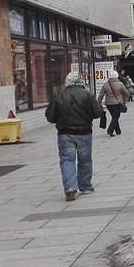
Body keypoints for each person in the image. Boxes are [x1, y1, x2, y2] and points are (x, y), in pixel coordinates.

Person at [45, 72, 102, 201]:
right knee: (85, 159)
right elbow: (97, 113)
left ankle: (70, 188)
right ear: (80, 82)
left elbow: (50, 117)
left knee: (66, 159)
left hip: (65, 133)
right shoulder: (88, 94)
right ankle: (85, 186)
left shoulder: (59, 95)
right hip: (84, 132)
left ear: (67, 82)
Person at [97, 70, 130, 137]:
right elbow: (126, 93)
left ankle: (118, 131)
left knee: (114, 117)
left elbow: (101, 95)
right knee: (115, 117)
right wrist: (126, 98)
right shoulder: (120, 84)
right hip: (117, 103)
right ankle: (110, 130)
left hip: (108, 104)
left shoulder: (105, 84)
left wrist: (99, 103)